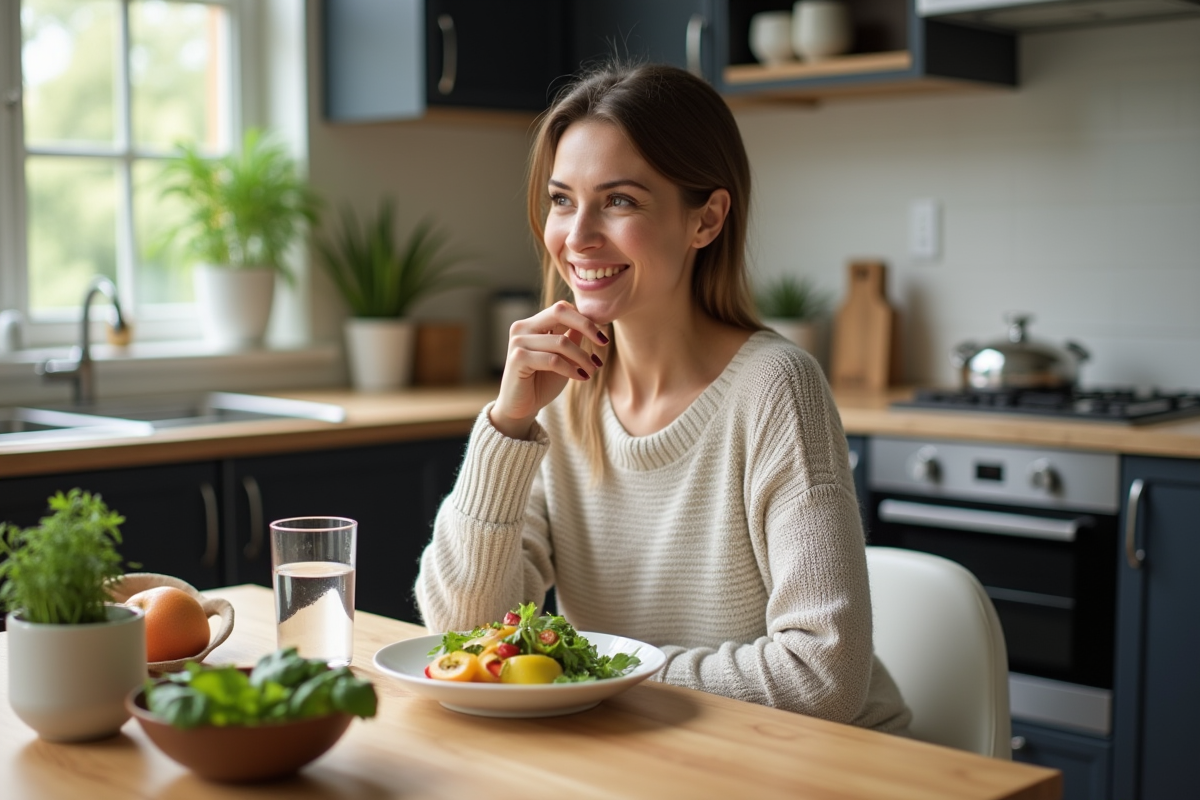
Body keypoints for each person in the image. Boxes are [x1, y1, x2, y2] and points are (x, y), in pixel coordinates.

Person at [415, 62, 911, 733]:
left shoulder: (776, 389)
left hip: (825, 765)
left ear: (705, 220)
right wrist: (507, 425)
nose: (579, 236)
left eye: (620, 201)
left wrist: (594, 670)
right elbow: (464, 635)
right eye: (563, 200)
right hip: (657, 749)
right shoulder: (560, 399)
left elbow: (822, 677)